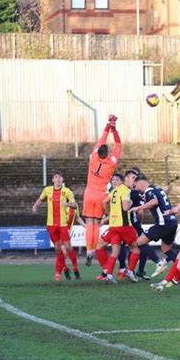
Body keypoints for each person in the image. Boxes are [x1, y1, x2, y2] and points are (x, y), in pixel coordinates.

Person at [83, 115, 121, 264]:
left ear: (98, 152)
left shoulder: (93, 157)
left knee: (89, 223)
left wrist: (107, 126)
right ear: (108, 154)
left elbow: (101, 141)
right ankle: (93, 249)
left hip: (89, 192)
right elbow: (118, 146)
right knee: (96, 224)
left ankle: (88, 249)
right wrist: (114, 129)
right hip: (101, 194)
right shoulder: (111, 163)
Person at [32, 171, 80, 281]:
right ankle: (65, 269)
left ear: (62, 180)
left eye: (60, 177)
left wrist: (67, 204)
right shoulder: (47, 190)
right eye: (56, 177)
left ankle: (76, 269)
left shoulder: (67, 191)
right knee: (58, 249)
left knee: (68, 247)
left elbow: (75, 205)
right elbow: (40, 199)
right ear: (53, 180)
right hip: (51, 224)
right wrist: (35, 206)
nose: (58, 179)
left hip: (63, 224)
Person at [94, 170, 140, 284]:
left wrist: (109, 213)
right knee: (136, 248)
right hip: (124, 226)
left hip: (113, 227)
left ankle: (108, 274)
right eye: (133, 178)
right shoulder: (125, 190)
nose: (134, 181)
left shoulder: (114, 190)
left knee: (113, 251)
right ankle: (130, 272)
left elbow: (104, 201)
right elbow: (125, 208)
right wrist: (131, 203)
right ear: (126, 178)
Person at [131, 175, 178, 277]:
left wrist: (139, 207)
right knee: (166, 249)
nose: (135, 189)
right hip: (172, 222)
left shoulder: (149, 191)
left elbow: (155, 202)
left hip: (163, 223)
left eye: (135, 186)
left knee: (139, 242)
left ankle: (159, 263)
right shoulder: (157, 189)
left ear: (140, 184)